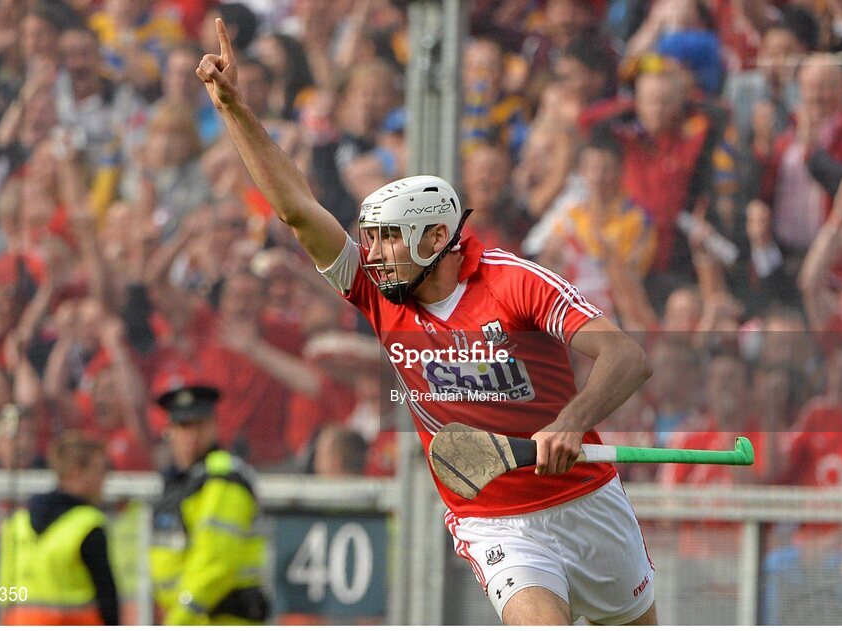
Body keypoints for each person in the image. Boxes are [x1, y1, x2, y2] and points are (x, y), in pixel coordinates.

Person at [196, 20, 656, 625]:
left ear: (437, 238)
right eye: (372, 241)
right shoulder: (377, 292)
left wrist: (572, 424)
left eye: (389, 241)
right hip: (495, 518)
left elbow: (627, 356)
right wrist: (235, 110)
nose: (375, 255)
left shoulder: (514, 282)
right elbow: (295, 208)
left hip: (588, 502)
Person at [149, 385, 268, 625]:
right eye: (183, 426)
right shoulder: (181, 483)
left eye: (199, 425)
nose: (191, 435)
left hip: (219, 618)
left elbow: (215, 563)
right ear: (169, 431)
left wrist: (180, 618)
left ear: (214, 427)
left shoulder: (222, 478)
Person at [0, 431, 119, 625]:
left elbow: (4, 591)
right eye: (100, 470)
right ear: (77, 471)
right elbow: (107, 598)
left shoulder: (17, 523)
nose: (104, 480)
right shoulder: (88, 525)